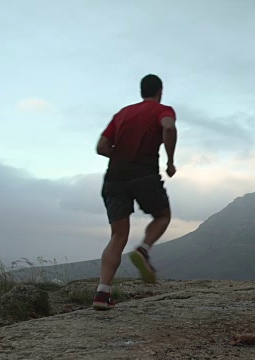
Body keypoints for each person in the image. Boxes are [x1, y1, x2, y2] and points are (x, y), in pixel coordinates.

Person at [92, 74, 177, 310]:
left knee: (118, 235)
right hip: (144, 173)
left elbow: (101, 147)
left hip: (114, 176)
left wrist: (121, 156)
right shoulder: (162, 109)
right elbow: (168, 128)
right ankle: (144, 249)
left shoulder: (122, 114)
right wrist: (170, 161)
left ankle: (102, 293)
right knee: (163, 215)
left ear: (141, 91)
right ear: (160, 90)